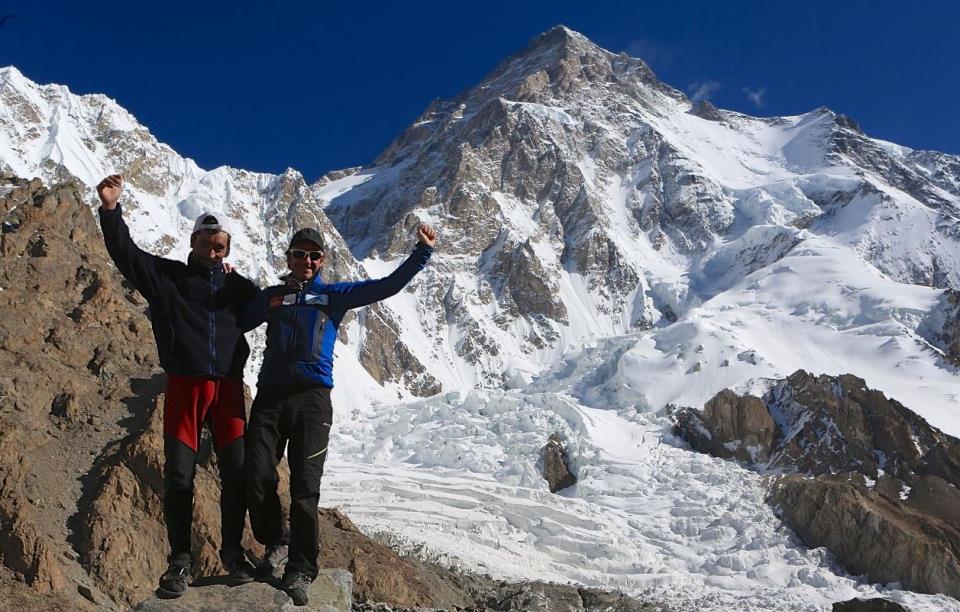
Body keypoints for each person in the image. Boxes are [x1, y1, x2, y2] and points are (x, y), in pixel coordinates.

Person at [242, 223, 437, 606]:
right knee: (256, 471)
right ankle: (276, 539)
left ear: (323, 260)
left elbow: (385, 286)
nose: (307, 261)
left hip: (313, 401)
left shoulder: (333, 296)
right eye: (300, 254)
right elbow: (233, 316)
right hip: (270, 398)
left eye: (314, 255)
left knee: (305, 488)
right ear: (289, 258)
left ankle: (300, 568)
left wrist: (422, 252)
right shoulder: (272, 298)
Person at [95, 175, 260, 598]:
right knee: (180, 479)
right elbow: (127, 256)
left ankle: (232, 552)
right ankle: (180, 561)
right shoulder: (167, 278)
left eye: (219, 245)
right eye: (206, 243)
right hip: (185, 387)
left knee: (236, 474)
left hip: (227, 390)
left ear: (227, 250)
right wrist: (112, 211)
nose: (212, 250)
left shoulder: (240, 290)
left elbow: (274, 307)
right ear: (193, 243)